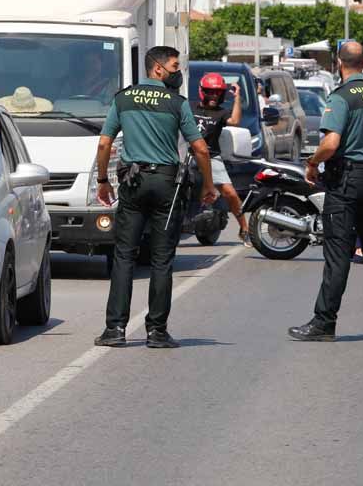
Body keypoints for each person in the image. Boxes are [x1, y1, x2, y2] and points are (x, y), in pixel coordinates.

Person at [93, 46, 217, 350]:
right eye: (175, 66)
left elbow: (104, 143)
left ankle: (115, 329)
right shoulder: (177, 103)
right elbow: (200, 148)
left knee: (124, 256)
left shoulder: (123, 98)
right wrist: (208, 186)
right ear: (158, 69)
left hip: (133, 182)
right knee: (162, 260)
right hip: (166, 185)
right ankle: (157, 332)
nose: (178, 72)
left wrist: (102, 181)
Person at [289, 41, 363, 345]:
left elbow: (330, 144)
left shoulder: (340, 98)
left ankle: (324, 323)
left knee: (338, 255)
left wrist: (313, 163)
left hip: (347, 182)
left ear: (339, 65)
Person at [192, 73, 248, 243]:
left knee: (230, 193)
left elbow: (235, 120)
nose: (214, 96)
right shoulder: (189, 107)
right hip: (188, 156)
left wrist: (237, 97)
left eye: (218, 93)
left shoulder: (221, 113)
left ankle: (244, 228)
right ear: (202, 91)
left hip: (211, 157)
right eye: (210, 92)